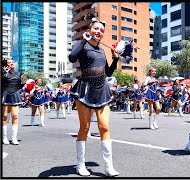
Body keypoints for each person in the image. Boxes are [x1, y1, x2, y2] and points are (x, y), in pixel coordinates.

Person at [68, 18, 119, 176]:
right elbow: (72, 57)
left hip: (102, 89)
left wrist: (115, 58)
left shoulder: (103, 51)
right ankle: (80, 164)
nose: (99, 31)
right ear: (90, 30)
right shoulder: (84, 46)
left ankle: (109, 166)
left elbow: (108, 73)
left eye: (102, 30)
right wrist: (83, 41)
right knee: (85, 127)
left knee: (104, 127)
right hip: (85, 89)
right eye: (96, 28)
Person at [2, 58, 26, 145]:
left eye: (12, 62)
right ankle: (4, 137)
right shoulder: (3, 73)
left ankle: (14, 138)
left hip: (15, 94)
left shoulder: (18, 74)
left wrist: (23, 84)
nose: (12, 63)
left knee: (15, 116)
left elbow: (18, 86)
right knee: (4, 116)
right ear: (6, 65)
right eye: (10, 62)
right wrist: (4, 72)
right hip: (5, 93)